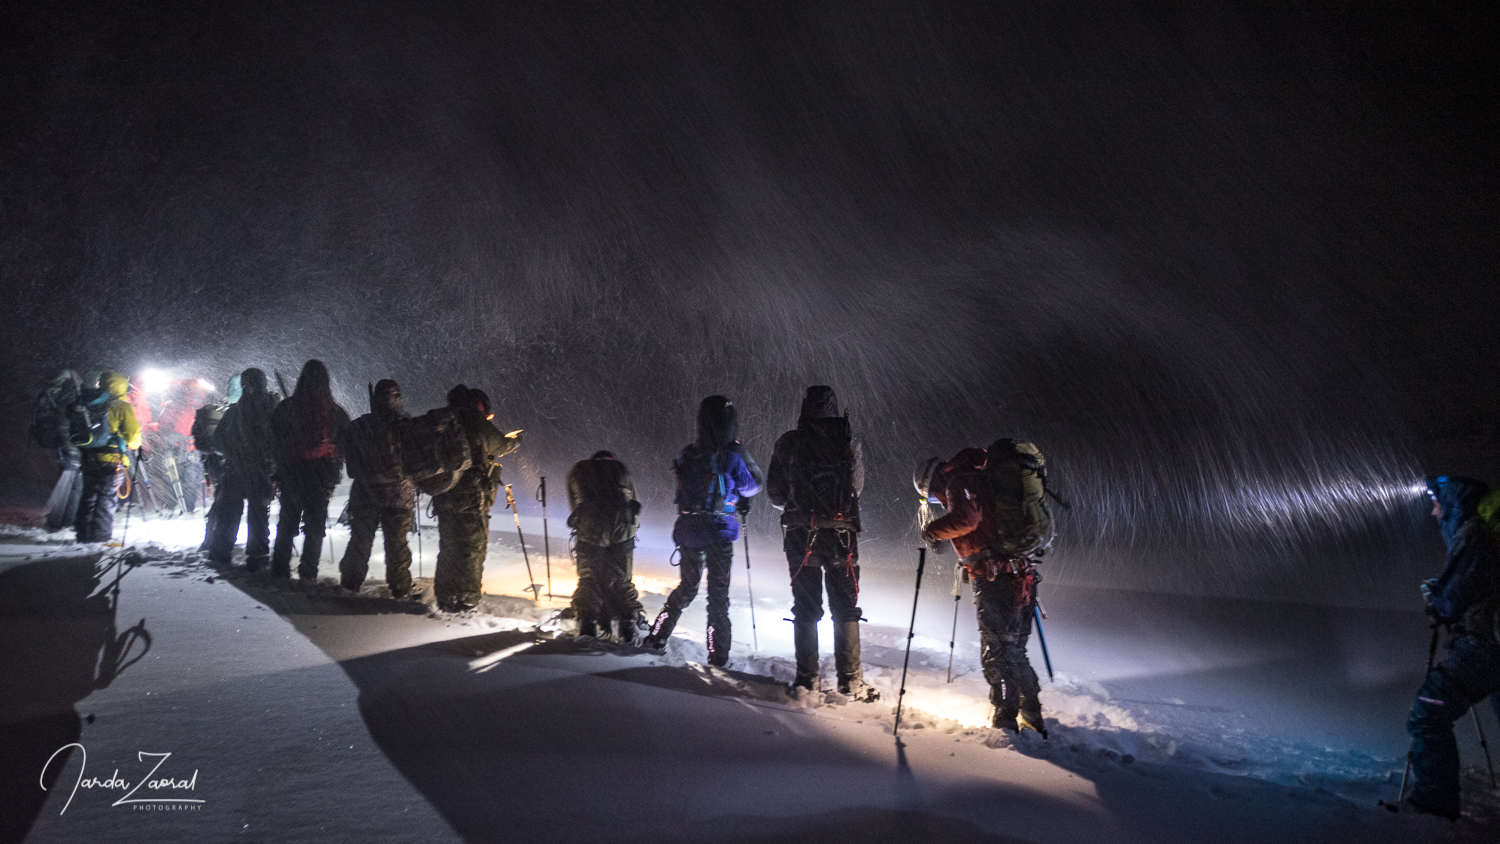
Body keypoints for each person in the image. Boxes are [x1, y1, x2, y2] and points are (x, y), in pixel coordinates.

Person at [917, 445, 1048, 736]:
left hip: (996, 579)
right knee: (1014, 650)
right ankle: (1031, 713)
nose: (938, 501)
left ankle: (1004, 718)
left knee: (996, 650)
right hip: (1021, 574)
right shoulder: (983, 477)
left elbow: (967, 520)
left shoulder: (957, 481)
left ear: (930, 481)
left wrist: (932, 530)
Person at [766, 386, 877, 699]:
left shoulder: (788, 442)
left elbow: (775, 494)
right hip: (842, 536)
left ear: (804, 407)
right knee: (845, 607)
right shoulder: (848, 440)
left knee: (806, 606)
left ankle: (806, 680)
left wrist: (798, 504)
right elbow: (857, 488)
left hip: (801, 534)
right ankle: (851, 681)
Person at [1405, 475, 1500, 820]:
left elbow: (1451, 602)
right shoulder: (1488, 536)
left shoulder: (1473, 535)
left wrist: (1436, 599)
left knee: (1428, 714)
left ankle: (1433, 809)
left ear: (1453, 504)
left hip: (1485, 647)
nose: (1433, 513)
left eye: (1436, 504)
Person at [645, 396, 762, 666]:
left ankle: (656, 636)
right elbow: (752, 486)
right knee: (718, 598)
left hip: (689, 532)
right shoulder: (731, 457)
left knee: (686, 588)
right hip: (719, 534)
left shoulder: (686, 454)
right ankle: (717, 655)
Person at [432, 385, 520, 612]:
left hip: (443, 494)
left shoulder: (445, 422)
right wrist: (515, 441)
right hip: (470, 497)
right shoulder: (476, 422)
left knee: (449, 547)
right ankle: (467, 599)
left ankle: (444, 596)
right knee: (472, 548)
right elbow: (501, 444)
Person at [270, 360, 350, 582]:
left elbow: (273, 443)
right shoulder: (335, 412)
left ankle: (279, 570)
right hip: (321, 480)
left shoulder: (286, 408)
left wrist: (280, 470)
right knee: (315, 529)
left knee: (287, 526)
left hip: (292, 477)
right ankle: (308, 573)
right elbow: (346, 444)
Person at [338, 380, 416, 597]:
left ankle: (350, 584)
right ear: (397, 398)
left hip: (365, 494)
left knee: (360, 542)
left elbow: (351, 467)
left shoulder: (358, 426)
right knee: (397, 545)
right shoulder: (406, 425)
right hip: (399, 496)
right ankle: (400, 589)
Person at [567, 450, 644, 641]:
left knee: (589, 577)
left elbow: (574, 503)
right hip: (622, 526)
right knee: (621, 579)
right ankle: (628, 628)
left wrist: (584, 523)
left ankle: (587, 626)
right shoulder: (621, 469)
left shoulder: (579, 470)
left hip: (591, 526)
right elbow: (635, 501)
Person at [206, 369, 277, 569]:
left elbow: (218, 442)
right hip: (262, 472)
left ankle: (220, 553)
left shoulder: (235, 412)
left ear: (245, 385)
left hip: (236, 471)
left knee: (229, 514)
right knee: (259, 516)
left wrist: (231, 451)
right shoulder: (274, 411)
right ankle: (258, 557)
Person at [74, 372, 142, 543]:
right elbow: (133, 436)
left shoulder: (91, 403)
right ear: (121, 386)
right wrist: (131, 444)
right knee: (106, 497)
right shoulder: (121, 406)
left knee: (88, 495)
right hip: (112, 460)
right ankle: (101, 537)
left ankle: (83, 535)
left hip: (88, 457)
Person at [193, 373, 242, 549]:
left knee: (222, 499)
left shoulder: (216, 409)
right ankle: (220, 542)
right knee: (233, 503)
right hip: (237, 464)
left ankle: (211, 536)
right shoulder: (243, 409)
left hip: (215, 463)